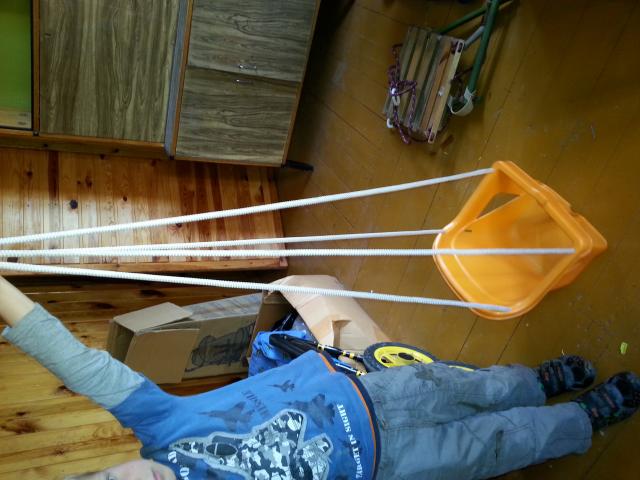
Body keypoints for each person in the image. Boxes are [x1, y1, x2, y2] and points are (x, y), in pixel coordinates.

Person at [1, 275, 638, 480]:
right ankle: (582, 418)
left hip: (370, 390)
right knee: (495, 446)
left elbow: (71, 357)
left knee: (473, 387)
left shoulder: (160, 427)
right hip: (387, 464)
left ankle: (538, 383)